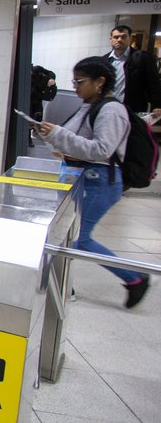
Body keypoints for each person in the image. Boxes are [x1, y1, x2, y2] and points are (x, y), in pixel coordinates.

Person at [37, 56, 151, 308]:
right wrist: (52, 137)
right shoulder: (88, 105)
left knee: (80, 239)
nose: (75, 87)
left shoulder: (112, 110)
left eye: (80, 81)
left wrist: (59, 134)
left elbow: (101, 150)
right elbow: (73, 141)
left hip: (99, 181)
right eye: (74, 81)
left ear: (100, 82)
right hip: (78, 178)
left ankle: (134, 279)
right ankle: (62, 283)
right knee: (63, 236)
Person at [106, 25, 161, 120]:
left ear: (129, 38)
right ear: (111, 39)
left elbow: (154, 82)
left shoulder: (142, 57)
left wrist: (157, 105)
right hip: (108, 108)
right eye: (116, 37)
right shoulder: (105, 60)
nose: (119, 40)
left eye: (123, 37)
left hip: (132, 109)